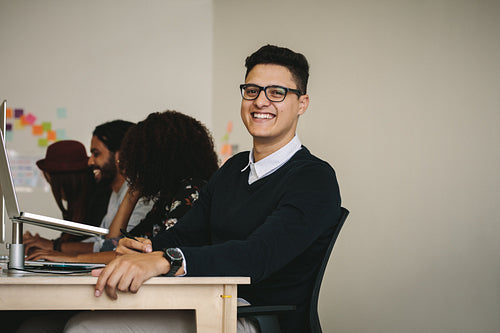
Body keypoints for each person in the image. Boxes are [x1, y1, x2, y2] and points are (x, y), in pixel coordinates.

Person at [65, 44, 341, 333]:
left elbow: (257, 254)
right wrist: (143, 249)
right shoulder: (233, 170)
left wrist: (166, 260)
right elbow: (186, 234)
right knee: (44, 322)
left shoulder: (314, 179)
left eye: (277, 92)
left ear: (302, 103)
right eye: (252, 90)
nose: (261, 101)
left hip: (258, 316)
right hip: (207, 299)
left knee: (84, 327)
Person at [25, 110, 219, 264]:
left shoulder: (191, 191)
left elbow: (149, 254)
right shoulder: (168, 196)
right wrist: (133, 191)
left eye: (142, 155)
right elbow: (118, 246)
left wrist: (69, 259)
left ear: (162, 157)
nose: (137, 161)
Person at [23, 120, 153, 255]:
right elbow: (101, 240)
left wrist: (55, 248)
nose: (90, 162)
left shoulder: (140, 196)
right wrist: (54, 248)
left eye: (96, 154)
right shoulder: (116, 192)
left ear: (120, 156)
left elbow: (114, 245)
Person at [23, 140, 110, 249]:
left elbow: (93, 247)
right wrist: (39, 244)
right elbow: (72, 243)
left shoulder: (99, 201)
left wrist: (51, 246)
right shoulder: (80, 202)